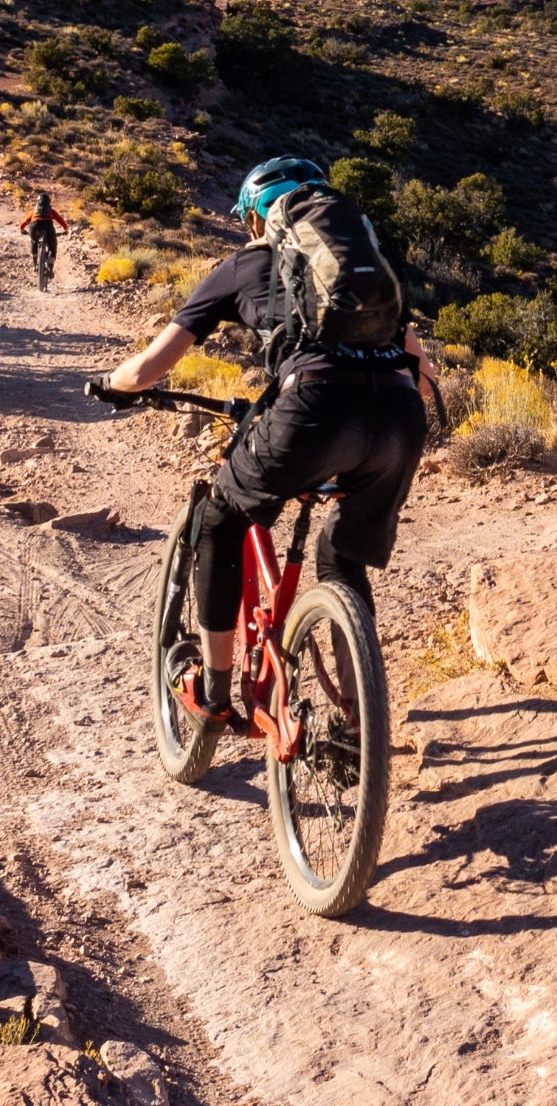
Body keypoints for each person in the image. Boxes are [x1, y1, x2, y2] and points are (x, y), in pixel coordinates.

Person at [89, 157, 437, 732]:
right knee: (342, 559)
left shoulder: (243, 266)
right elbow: (422, 375)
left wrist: (108, 385)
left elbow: (148, 368)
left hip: (313, 408)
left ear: (257, 217)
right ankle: (358, 728)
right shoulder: (365, 275)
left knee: (220, 517)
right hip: (399, 416)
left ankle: (215, 688)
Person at [19, 192, 69, 275]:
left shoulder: (34, 211)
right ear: (48, 202)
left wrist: (22, 229)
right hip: (48, 227)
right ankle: (50, 268)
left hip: (35, 227)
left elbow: (25, 221)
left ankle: (35, 265)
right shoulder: (51, 211)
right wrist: (65, 229)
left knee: (34, 242)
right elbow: (60, 220)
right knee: (52, 247)